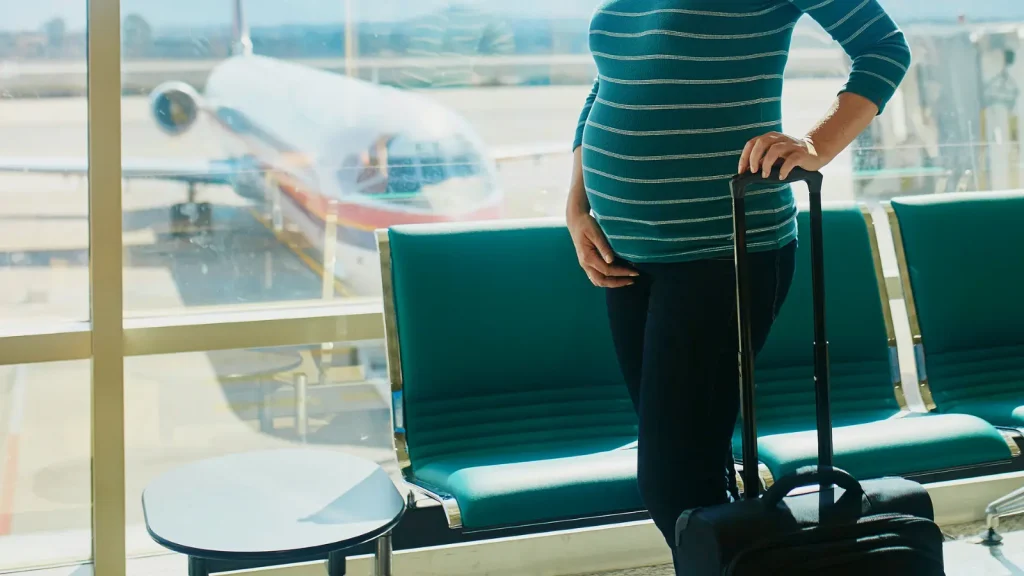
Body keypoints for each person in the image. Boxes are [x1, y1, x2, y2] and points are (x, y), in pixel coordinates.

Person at [565, 0, 910, 567]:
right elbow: (605, 86)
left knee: (671, 482)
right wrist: (577, 208)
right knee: (694, 473)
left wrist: (815, 145)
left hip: (724, 250)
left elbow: (884, 48)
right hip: (624, 257)